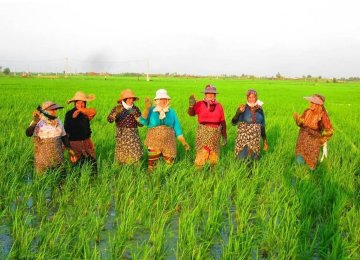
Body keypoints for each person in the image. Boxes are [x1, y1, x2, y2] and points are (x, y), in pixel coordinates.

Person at [140, 89, 190, 172]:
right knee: (152, 164)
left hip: (169, 142)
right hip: (154, 141)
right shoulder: (151, 110)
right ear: (156, 100)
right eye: (160, 99)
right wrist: (147, 109)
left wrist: (184, 142)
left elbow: (177, 127)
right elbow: (143, 121)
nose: (163, 101)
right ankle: (150, 179)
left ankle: (167, 178)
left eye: (165, 99)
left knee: (169, 164)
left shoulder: (171, 112)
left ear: (168, 100)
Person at [25, 101, 76, 174]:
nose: (55, 111)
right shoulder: (38, 121)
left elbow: (64, 137)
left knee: (61, 178)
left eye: (56, 109)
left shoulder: (58, 121)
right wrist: (35, 122)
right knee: (42, 180)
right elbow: (28, 133)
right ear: (45, 111)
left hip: (58, 157)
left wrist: (71, 151)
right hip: (42, 159)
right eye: (52, 109)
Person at [188, 85, 227, 168]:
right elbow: (191, 113)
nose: (210, 95)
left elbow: (222, 121)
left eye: (212, 94)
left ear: (215, 95)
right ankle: (198, 173)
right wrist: (191, 105)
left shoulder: (219, 106)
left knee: (214, 155)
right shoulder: (200, 104)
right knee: (203, 152)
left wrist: (224, 136)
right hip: (203, 131)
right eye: (208, 93)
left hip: (215, 133)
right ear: (205, 94)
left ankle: (212, 173)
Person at [294, 94, 333, 169]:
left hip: (314, 143)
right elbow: (302, 123)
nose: (311, 104)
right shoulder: (307, 111)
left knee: (311, 164)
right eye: (311, 102)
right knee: (298, 162)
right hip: (303, 140)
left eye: (313, 102)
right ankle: (296, 177)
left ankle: (309, 178)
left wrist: (322, 141)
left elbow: (330, 131)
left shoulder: (323, 115)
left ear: (317, 104)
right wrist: (298, 121)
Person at [107, 89, 143, 164]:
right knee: (121, 152)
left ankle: (137, 170)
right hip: (121, 134)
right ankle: (119, 169)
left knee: (135, 151)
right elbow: (110, 120)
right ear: (124, 99)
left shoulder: (135, 109)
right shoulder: (118, 108)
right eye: (129, 98)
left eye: (132, 98)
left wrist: (137, 116)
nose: (131, 100)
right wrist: (115, 114)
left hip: (133, 134)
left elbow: (141, 124)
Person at [231, 89, 269, 161]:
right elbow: (233, 123)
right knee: (241, 160)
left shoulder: (260, 109)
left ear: (256, 98)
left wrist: (265, 141)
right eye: (249, 97)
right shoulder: (243, 108)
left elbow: (262, 126)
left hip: (255, 140)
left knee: (254, 161)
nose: (251, 99)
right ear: (247, 98)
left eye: (253, 97)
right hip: (243, 140)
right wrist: (238, 113)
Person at [64, 91, 97, 173]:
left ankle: (92, 182)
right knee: (77, 167)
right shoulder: (69, 114)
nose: (81, 105)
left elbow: (94, 112)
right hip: (75, 144)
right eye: (78, 102)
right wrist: (69, 148)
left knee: (93, 165)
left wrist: (81, 111)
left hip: (87, 142)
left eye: (83, 102)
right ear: (75, 103)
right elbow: (66, 131)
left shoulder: (86, 113)